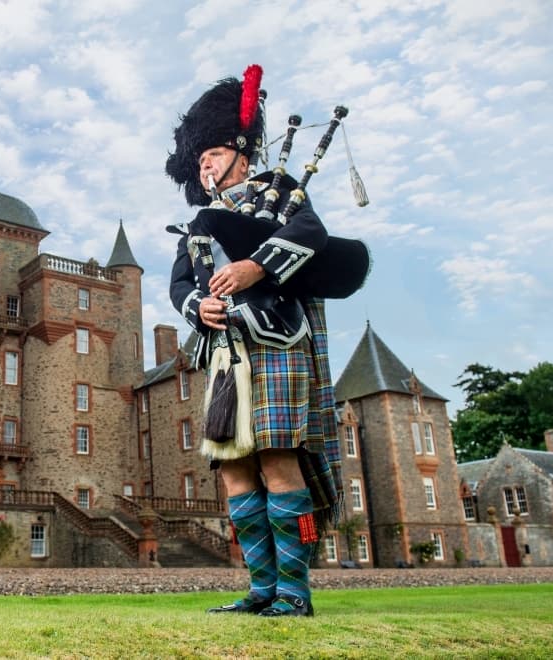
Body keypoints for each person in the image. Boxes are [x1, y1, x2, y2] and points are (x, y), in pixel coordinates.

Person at [165, 67, 348, 617]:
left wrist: (251, 267)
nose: (206, 167)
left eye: (213, 156)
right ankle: (262, 589)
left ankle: (294, 591)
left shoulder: (280, 192)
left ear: (242, 153)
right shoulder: (199, 222)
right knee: (235, 470)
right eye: (199, 162)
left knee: (276, 461)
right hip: (223, 357)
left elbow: (310, 236)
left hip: (275, 344)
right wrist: (200, 307)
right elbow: (178, 284)